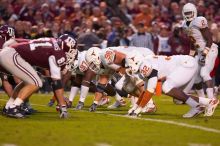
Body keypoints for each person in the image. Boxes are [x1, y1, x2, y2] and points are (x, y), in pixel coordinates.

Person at [0, 34, 77, 118]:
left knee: (30, 81)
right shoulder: (58, 53)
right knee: (36, 82)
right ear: (66, 46)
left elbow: (54, 82)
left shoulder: (52, 42)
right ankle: (13, 108)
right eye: (72, 50)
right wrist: (63, 107)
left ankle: (9, 106)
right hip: (12, 55)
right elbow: (56, 82)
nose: (71, 53)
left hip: (9, 53)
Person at [125, 52, 219, 118]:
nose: (129, 67)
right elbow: (145, 91)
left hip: (185, 64)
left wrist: (138, 110)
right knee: (177, 97)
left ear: (135, 61)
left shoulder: (144, 66)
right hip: (185, 64)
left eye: (130, 64)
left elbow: (150, 90)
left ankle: (197, 106)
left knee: (166, 87)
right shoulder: (145, 63)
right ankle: (208, 102)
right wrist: (135, 107)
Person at [182, 3, 218, 100]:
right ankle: (202, 101)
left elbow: (210, 39)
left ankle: (211, 100)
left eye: (190, 12)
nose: (189, 15)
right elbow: (193, 41)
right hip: (199, 51)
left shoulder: (199, 21)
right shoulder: (184, 25)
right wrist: (190, 56)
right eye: (187, 13)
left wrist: (204, 54)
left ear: (194, 12)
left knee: (204, 73)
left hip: (210, 49)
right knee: (196, 77)